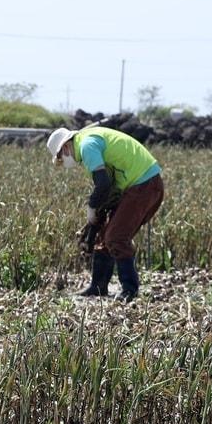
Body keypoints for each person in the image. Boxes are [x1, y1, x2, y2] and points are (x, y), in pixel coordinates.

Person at [47, 125, 164, 300]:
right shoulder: (87, 141)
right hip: (138, 185)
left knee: (116, 237)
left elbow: (103, 185)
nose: (63, 161)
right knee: (104, 235)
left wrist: (91, 208)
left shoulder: (86, 145)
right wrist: (95, 222)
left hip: (144, 184)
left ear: (65, 147)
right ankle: (98, 286)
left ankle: (129, 289)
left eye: (61, 158)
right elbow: (108, 187)